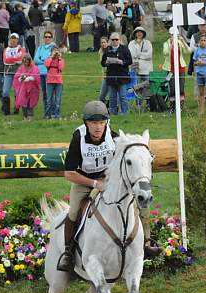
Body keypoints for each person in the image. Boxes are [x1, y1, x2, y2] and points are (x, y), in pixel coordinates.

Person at [57, 100, 161, 271]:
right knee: (74, 211)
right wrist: (94, 184)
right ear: (86, 123)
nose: (98, 127)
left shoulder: (113, 138)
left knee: (139, 204)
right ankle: (68, 253)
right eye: (93, 123)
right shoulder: (78, 139)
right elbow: (69, 174)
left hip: (108, 180)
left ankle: (146, 244)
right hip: (84, 180)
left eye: (101, 122)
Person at [101, 32, 132, 115]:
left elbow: (130, 61)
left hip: (122, 76)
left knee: (123, 96)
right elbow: (102, 62)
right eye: (113, 39)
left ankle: (125, 113)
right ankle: (113, 113)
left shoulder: (124, 49)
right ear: (110, 40)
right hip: (111, 76)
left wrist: (122, 62)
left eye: (116, 39)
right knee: (112, 97)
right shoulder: (107, 49)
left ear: (119, 40)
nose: (115, 41)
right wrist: (106, 62)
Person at [163, 27, 190, 107]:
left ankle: (181, 106)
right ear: (170, 35)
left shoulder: (180, 42)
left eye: (176, 35)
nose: (174, 36)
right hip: (170, 68)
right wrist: (171, 45)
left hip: (180, 68)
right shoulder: (166, 43)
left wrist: (183, 41)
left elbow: (188, 51)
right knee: (172, 88)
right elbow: (165, 53)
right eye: (172, 35)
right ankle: (172, 106)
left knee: (181, 87)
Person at [2, 33, 26, 115]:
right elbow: (5, 60)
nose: (13, 40)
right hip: (8, 73)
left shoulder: (21, 49)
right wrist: (14, 59)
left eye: (15, 38)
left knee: (17, 92)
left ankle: (17, 108)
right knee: (5, 91)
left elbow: (20, 59)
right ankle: (6, 111)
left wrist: (11, 59)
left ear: (17, 40)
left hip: (18, 74)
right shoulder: (6, 49)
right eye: (11, 38)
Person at [34, 31, 57, 117]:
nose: (47, 38)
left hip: (49, 74)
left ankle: (54, 112)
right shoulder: (40, 48)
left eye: (49, 37)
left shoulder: (54, 48)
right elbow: (36, 60)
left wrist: (43, 60)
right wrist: (45, 60)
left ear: (51, 38)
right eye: (46, 37)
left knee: (50, 94)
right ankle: (47, 112)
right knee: (44, 93)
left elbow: (52, 61)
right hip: (41, 73)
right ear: (43, 38)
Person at [13, 54, 41, 121]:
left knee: (30, 103)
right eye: (24, 61)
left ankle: (30, 116)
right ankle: (25, 117)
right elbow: (17, 76)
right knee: (23, 102)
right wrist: (20, 78)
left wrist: (30, 78)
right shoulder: (21, 68)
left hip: (32, 88)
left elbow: (36, 76)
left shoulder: (34, 68)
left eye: (26, 61)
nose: (25, 63)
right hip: (23, 88)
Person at [44, 47, 65, 119]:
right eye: (54, 51)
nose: (55, 53)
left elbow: (61, 68)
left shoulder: (61, 60)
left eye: (57, 51)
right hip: (50, 81)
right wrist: (51, 57)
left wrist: (59, 59)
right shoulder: (48, 59)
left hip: (58, 81)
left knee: (58, 99)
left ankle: (57, 115)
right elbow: (46, 65)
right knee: (49, 99)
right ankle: (48, 115)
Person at [98, 37, 109, 103]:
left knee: (111, 95)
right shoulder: (101, 51)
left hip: (111, 75)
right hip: (105, 76)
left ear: (107, 43)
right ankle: (103, 107)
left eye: (104, 42)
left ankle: (112, 109)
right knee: (101, 96)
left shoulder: (110, 50)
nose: (103, 44)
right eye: (102, 42)